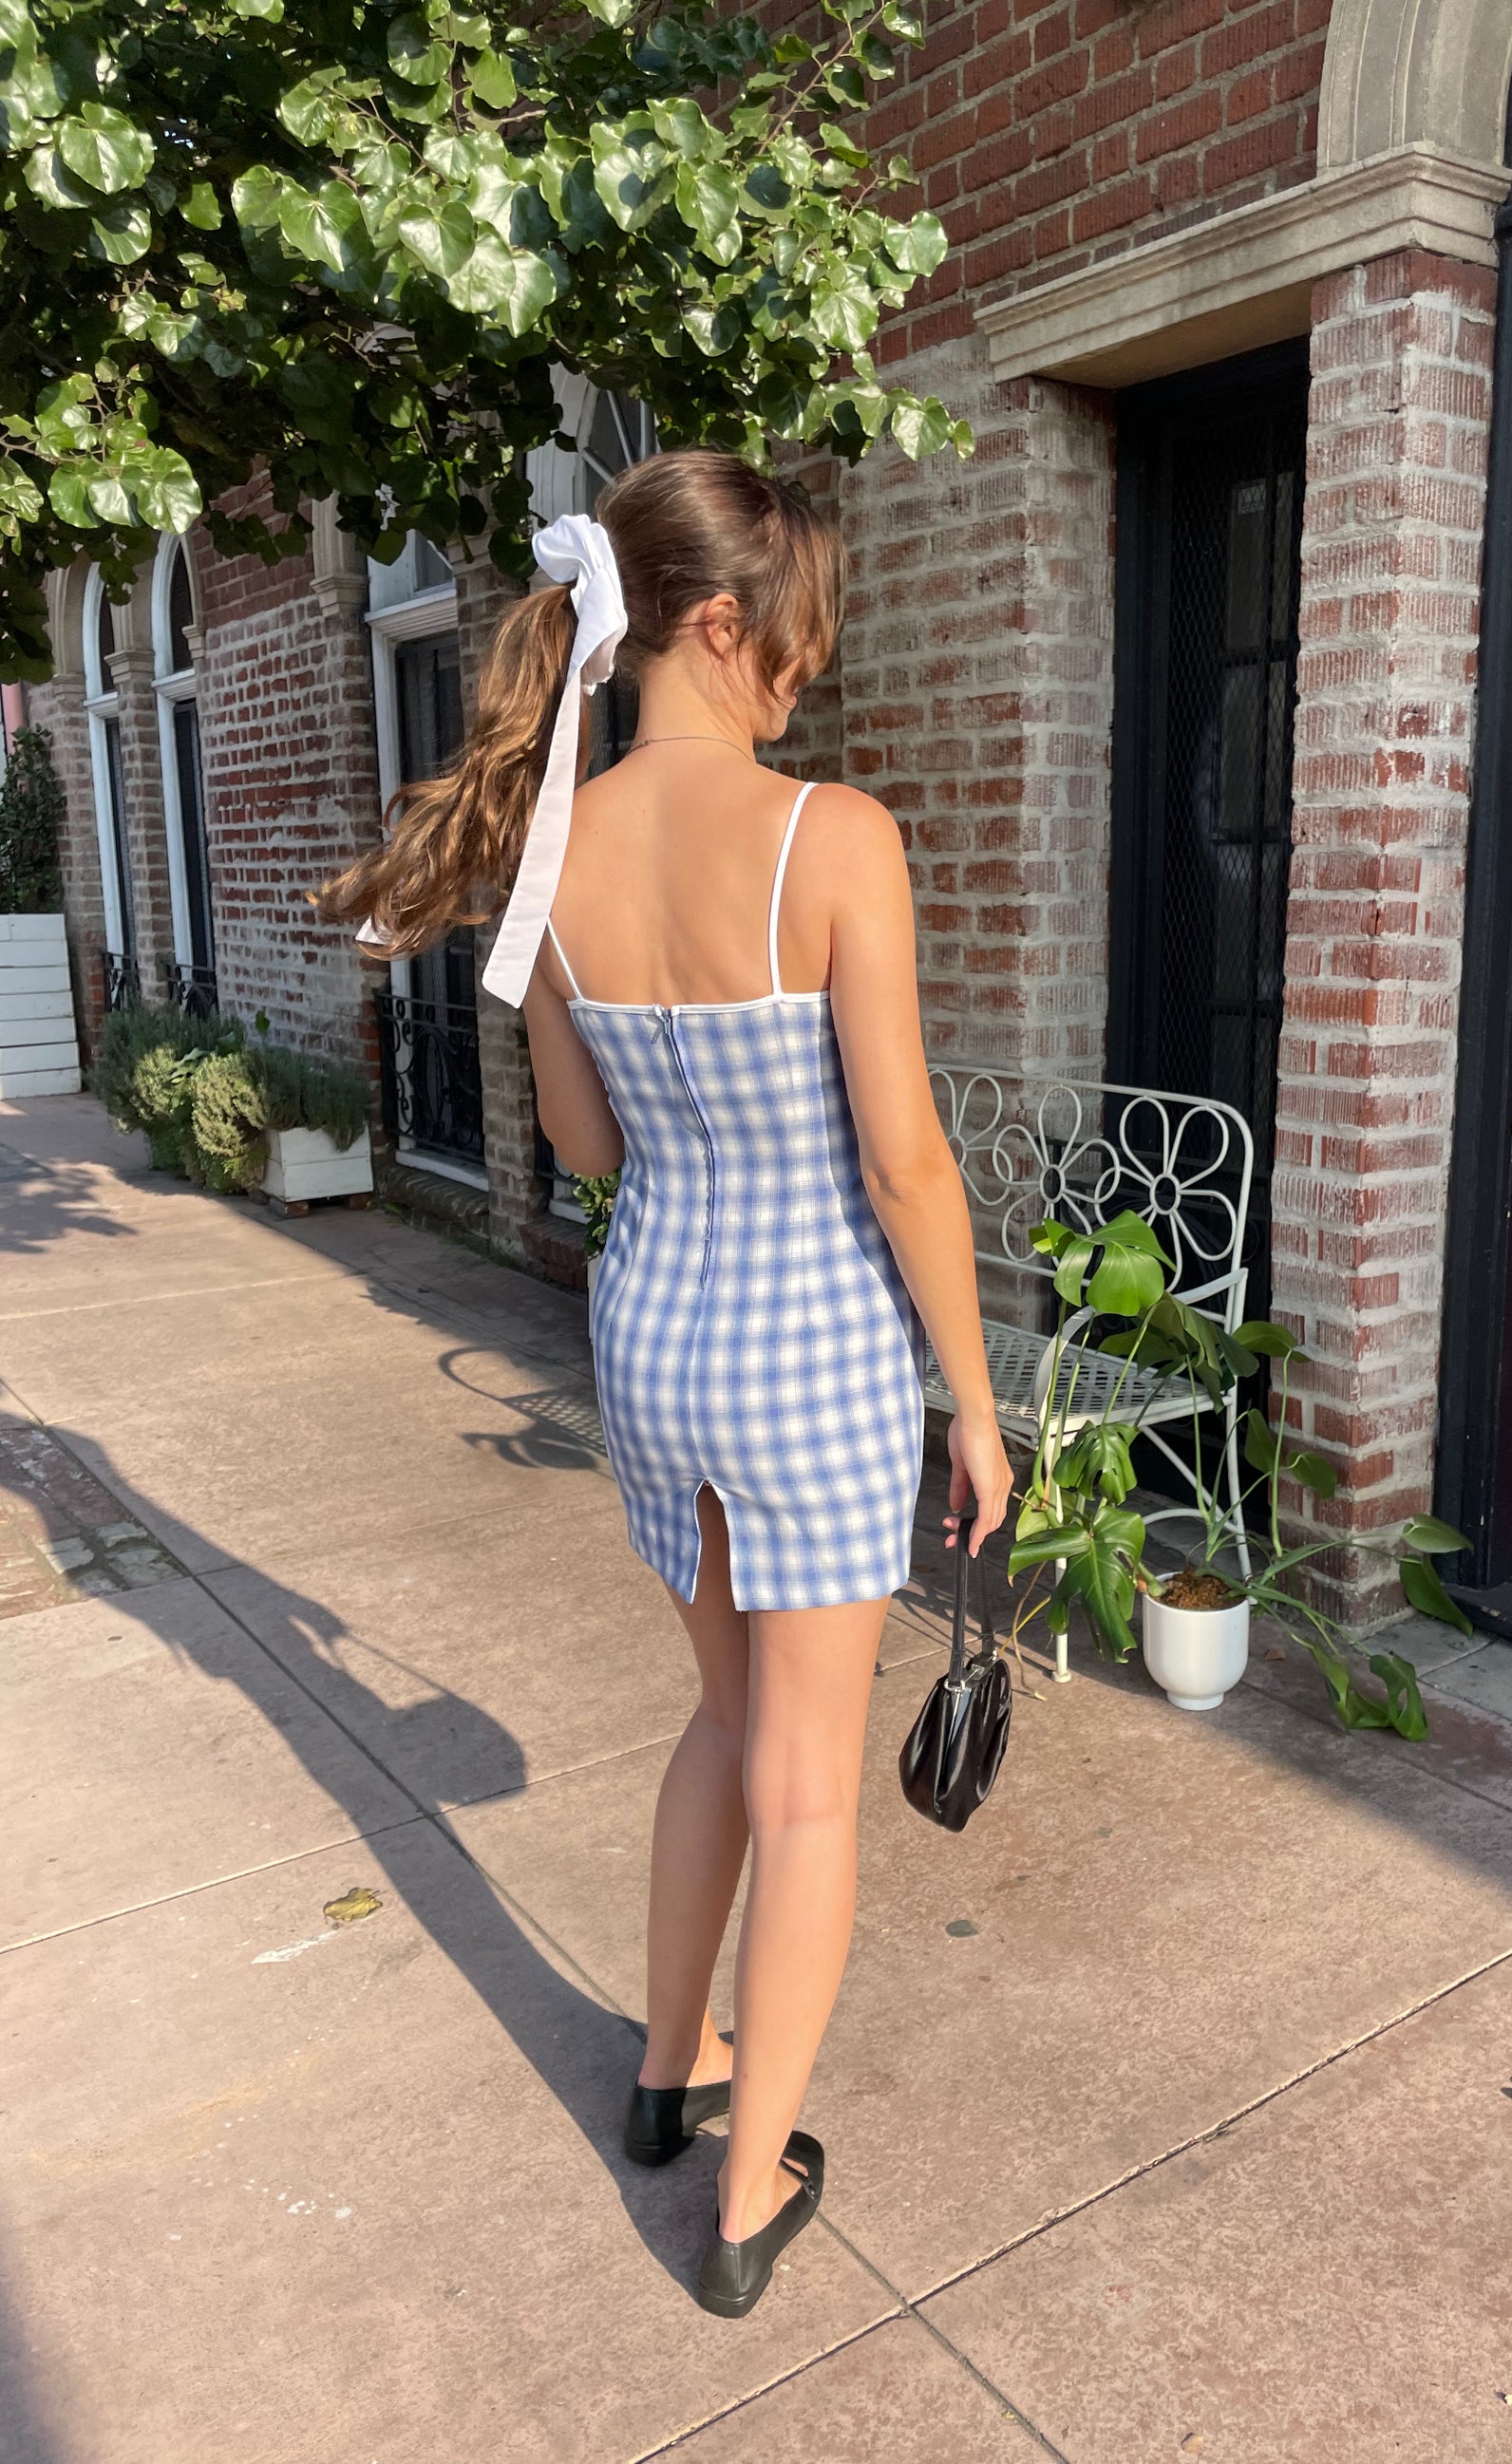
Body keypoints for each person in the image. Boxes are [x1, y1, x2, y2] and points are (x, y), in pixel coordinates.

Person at [320, 449, 1012, 2318]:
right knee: (806, 1780)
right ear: (719, 619)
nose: (801, 669)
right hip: (811, 1354)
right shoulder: (831, 836)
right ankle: (745, 2186)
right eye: (792, 636)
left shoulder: (561, 847)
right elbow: (905, 1167)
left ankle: (665, 2065)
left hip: (654, 1341)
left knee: (721, 1722)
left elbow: (580, 1140)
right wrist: (972, 1394)